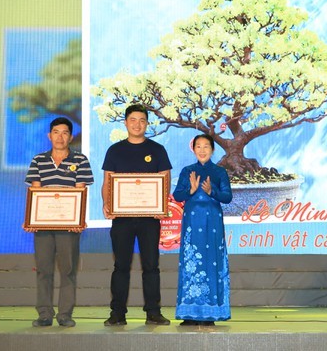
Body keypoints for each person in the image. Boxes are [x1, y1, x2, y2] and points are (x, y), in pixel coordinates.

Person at [101, 104, 172, 326]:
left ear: (147, 123)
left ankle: (153, 311)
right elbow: (107, 182)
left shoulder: (158, 149)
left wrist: (161, 205)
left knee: (151, 265)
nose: (137, 124)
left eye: (142, 120)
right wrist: (107, 203)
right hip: (122, 218)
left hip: (149, 218)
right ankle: (117, 313)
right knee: (121, 266)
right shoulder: (115, 150)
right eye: (133, 120)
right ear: (125, 122)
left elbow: (165, 179)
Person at [24, 117, 94, 327]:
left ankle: (65, 314)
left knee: (68, 270)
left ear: (71, 137)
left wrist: (78, 219)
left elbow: (81, 192)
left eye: (65, 133)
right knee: (44, 270)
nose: (60, 136)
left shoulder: (80, 160)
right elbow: (35, 191)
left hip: (68, 226)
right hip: (43, 226)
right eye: (56, 132)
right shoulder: (38, 160)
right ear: (49, 135)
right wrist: (31, 220)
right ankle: (44, 314)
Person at [172, 134, 232, 326]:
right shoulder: (187, 171)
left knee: (211, 262)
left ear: (213, 149)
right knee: (191, 263)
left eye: (207, 146)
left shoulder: (220, 172)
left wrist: (211, 192)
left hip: (212, 223)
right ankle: (190, 313)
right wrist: (191, 191)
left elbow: (227, 197)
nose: (203, 150)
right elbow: (177, 194)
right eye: (199, 146)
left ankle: (211, 312)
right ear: (194, 149)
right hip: (192, 222)